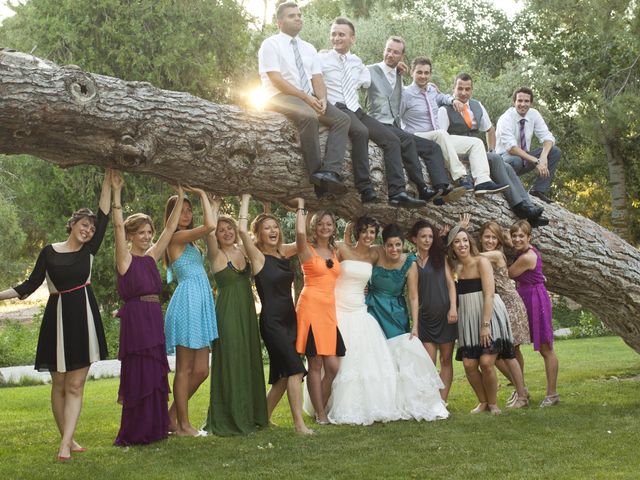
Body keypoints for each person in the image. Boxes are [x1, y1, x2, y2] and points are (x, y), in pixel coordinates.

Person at [0, 169, 113, 461]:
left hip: (84, 318)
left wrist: (108, 181)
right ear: (73, 224)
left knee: (76, 384)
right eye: (84, 225)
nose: (88, 230)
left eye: (91, 228)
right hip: (57, 319)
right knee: (60, 384)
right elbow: (29, 285)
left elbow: (104, 212)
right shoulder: (49, 252)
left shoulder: (90, 252)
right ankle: (69, 438)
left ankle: (65, 445)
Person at [319, 17, 427, 208]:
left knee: (393, 140)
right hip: (337, 107)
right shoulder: (321, 59)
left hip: (356, 109)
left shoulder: (357, 62)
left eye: (341, 34)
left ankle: (397, 192)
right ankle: (365, 187)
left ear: (352, 38)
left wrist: (397, 68)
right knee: (361, 132)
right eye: (333, 34)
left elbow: (372, 77)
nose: (336, 38)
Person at [111, 172, 182, 445]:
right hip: (136, 321)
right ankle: (136, 430)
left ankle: (156, 427)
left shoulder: (153, 256)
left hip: (154, 318)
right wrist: (117, 193)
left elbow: (169, 230)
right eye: (141, 232)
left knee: (155, 371)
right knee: (139, 371)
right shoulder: (125, 259)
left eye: (149, 232)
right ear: (131, 235)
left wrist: (181, 196)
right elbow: (117, 228)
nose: (147, 236)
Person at [258, 2, 351, 198]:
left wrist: (323, 99)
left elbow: (317, 78)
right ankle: (316, 176)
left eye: (299, 15)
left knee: (342, 119)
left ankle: (330, 171)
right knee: (309, 116)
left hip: (308, 96)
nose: (298, 18)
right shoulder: (270, 44)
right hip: (278, 97)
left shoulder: (308, 48)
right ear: (279, 22)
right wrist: (306, 98)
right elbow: (276, 79)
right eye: (292, 15)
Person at [237, 195, 312, 434]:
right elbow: (241, 229)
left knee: (282, 376)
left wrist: (304, 207)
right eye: (266, 228)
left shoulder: (284, 253)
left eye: (275, 227)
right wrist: (246, 198)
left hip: (291, 321)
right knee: (296, 369)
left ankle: (264, 418)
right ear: (258, 234)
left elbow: (302, 238)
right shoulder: (258, 257)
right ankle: (299, 425)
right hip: (272, 322)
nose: (273, 231)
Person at [364, 36, 465, 204]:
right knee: (404, 140)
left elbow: (438, 97)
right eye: (388, 50)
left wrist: (451, 99)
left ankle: (441, 187)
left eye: (396, 52)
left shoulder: (398, 75)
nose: (390, 54)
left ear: (402, 56)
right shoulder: (369, 70)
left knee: (432, 147)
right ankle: (416, 188)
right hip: (377, 122)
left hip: (394, 126)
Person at [438, 74, 549, 227]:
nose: (463, 93)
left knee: (506, 165)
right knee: (497, 160)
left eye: (467, 89)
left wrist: (491, 149)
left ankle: (529, 207)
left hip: (476, 152)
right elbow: (442, 139)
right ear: (453, 89)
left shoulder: (477, 106)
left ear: (472, 90)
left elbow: (490, 129)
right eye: (460, 89)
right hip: (456, 153)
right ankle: (518, 207)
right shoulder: (445, 109)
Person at [366, 224, 449, 421]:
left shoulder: (409, 262)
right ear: (383, 246)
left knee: (399, 357)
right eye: (389, 245)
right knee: (376, 356)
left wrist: (415, 325)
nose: (394, 249)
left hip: (396, 312)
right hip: (372, 309)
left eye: (397, 245)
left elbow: (413, 296)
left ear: (403, 244)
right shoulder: (375, 255)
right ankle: (379, 399)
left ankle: (401, 400)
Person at [326, 216, 401, 425]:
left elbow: (395, 254)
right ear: (357, 231)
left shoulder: (375, 253)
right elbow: (328, 271)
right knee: (340, 360)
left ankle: (372, 403)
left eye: (372, 232)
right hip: (339, 309)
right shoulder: (341, 247)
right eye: (365, 231)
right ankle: (327, 402)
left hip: (360, 310)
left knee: (368, 359)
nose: (368, 236)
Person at [202, 198, 268, 436]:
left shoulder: (243, 250)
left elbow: (247, 229)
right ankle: (230, 417)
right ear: (217, 236)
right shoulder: (215, 255)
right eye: (222, 231)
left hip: (247, 312)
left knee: (248, 358)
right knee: (232, 361)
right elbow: (208, 231)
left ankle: (253, 415)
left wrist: (248, 200)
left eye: (229, 228)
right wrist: (214, 208)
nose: (227, 232)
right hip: (228, 313)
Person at [400, 58, 509, 196]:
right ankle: (461, 177)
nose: (423, 76)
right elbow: (396, 116)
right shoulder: (405, 93)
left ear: (430, 74)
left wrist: (453, 100)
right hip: (416, 136)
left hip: (437, 138)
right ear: (412, 73)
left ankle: (482, 181)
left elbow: (442, 97)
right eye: (419, 72)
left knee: (476, 143)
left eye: (426, 73)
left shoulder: (432, 90)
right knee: (440, 133)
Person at [164, 188, 218, 437]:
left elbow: (211, 224)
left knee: (201, 371)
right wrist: (200, 194)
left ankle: (170, 417)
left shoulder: (190, 241)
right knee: (184, 369)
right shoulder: (175, 238)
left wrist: (214, 203)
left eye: (188, 210)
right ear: (171, 215)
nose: (186, 214)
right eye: (180, 210)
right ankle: (184, 426)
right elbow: (209, 226)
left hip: (200, 303)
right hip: (187, 302)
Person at [447, 226, 516, 415]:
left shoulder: (481, 262)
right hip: (467, 316)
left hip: (488, 313)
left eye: (465, 240)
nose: (462, 245)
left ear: (470, 242)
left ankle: (493, 403)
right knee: (469, 364)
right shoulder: (453, 268)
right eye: (457, 241)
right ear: (452, 246)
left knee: (486, 362)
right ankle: (483, 401)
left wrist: (485, 326)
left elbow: (489, 295)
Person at [294, 199, 345, 424]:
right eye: (321, 224)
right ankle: (321, 414)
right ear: (314, 227)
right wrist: (303, 208)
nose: (325, 227)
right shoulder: (307, 249)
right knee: (315, 364)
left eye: (329, 224)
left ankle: (319, 409)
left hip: (329, 312)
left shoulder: (335, 250)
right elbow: (299, 235)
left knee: (333, 366)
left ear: (334, 227)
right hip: (311, 308)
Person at [475, 220, 530, 408]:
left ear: (498, 240)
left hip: (510, 305)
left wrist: (461, 236)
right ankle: (520, 388)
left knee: (509, 352)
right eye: (486, 237)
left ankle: (521, 394)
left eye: (493, 237)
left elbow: (469, 256)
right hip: (498, 307)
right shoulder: (487, 256)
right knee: (498, 355)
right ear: (481, 238)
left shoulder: (496, 255)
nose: (489, 240)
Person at [509, 220, 560, 407]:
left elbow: (508, 273)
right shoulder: (521, 252)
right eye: (514, 235)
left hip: (536, 299)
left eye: (521, 236)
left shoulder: (526, 257)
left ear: (529, 238)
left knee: (546, 348)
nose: (517, 239)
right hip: (524, 297)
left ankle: (552, 394)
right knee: (514, 346)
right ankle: (521, 390)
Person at [408, 219, 458, 403]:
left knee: (446, 360)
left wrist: (453, 307)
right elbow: (413, 296)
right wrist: (415, 323)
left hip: (446, 315)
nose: (427, 240)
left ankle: (442, 401)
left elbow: (451, 284)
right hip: (425, 318)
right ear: (414, 239)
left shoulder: (440, 258)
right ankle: (430, 400)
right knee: (428, 363)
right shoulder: (410, 262)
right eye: (423, 236)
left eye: (430, 236)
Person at [496, 87, 561, 204]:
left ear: (531, 103)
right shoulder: (505, 118)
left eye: (526, 101)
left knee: (554, 151)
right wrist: (536, 161)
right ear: (514, 102)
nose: (523, 104)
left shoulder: (534, 114)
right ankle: (505, 187)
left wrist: (543, 156)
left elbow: (548, 137)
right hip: (505, 160)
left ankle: (538, 190)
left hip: (524, 159)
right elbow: (511, 148)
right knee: (516, 160)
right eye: (519, 101)